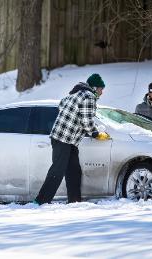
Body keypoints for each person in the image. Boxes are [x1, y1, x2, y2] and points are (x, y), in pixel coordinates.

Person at [34, 74, 110, 205]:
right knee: (57, 170)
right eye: (101, 89)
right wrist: (96, 134)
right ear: (94, 87)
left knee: (74, 170)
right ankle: (40, 201)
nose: (102, 92)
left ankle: (74, 201)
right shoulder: (89, 97)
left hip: (66, 139)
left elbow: (62, 105)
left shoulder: (74, 95)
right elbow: (87, 121)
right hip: (64, 139)